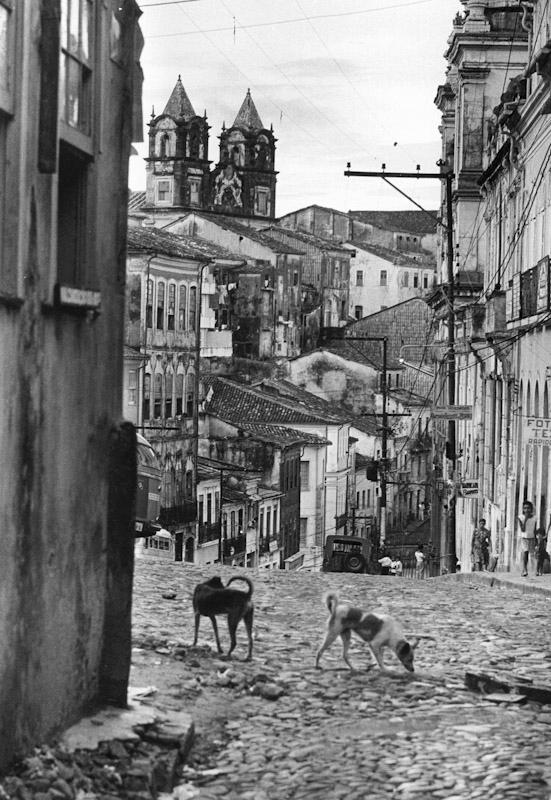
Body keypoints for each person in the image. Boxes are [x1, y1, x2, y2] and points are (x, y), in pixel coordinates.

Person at [518, 500, 537, 577]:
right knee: (525, 552)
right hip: (524, 537)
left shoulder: (535, 518)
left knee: (532, 554)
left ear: (531, 509)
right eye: (525, 508)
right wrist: (525, 519)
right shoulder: (521, 517)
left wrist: (536, 539)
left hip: (532, 537)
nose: (527, 510)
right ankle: (525, 569)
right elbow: (522, 529)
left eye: (528, 508)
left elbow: (535, 529)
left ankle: (534, 570)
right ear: (523, 509)